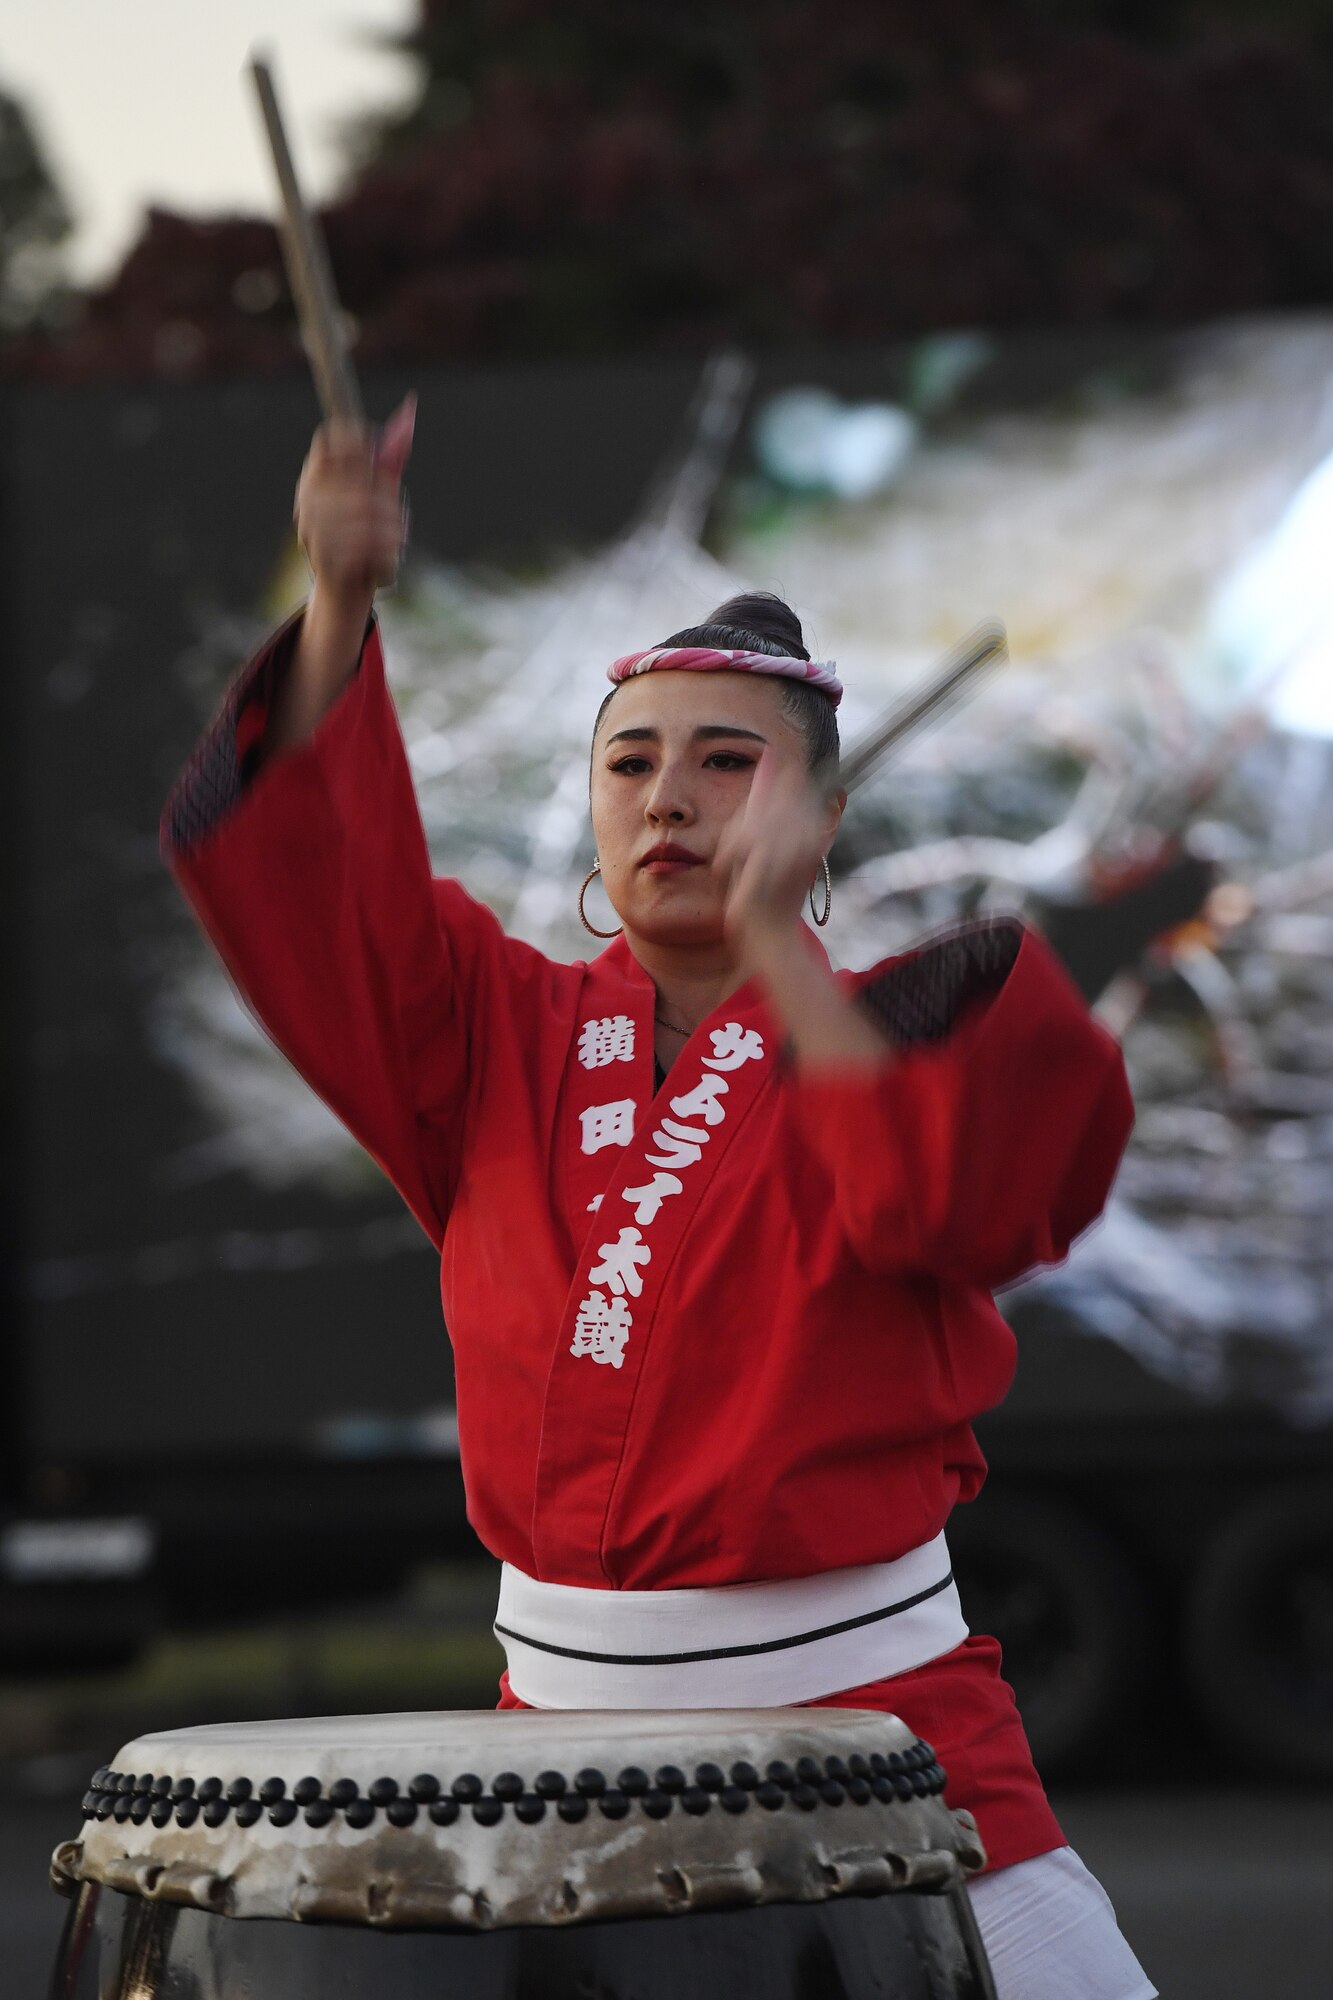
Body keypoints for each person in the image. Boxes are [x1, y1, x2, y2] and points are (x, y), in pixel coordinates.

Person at [164, 402, 1154, 2000]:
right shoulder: (491, 1037)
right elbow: (306, 887)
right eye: (631, 764)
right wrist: (340, 604)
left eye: (724, 763)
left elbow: (948, 1205)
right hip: (553, 1772)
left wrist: (776, 953)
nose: (668, 798)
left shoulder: (932, 1011)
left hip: (892, 1740)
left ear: (822, 820)